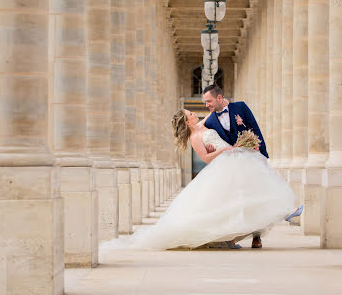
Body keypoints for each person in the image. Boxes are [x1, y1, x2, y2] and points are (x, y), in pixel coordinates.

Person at [99, 104, 301, 255]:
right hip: (225, 162)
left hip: (233, 160)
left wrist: (221, 103)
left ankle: (281, 214)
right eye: (190, 114)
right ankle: (283, 213)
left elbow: (216, 112)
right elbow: (205, 158)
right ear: (188, 122)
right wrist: (223, 149)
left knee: (245, 193)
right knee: (240, 197)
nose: (195, 114)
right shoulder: (195, 138)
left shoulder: (203, 123)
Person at [202, 84, 268, 248]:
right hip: (232, 166)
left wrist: (261, 156)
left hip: (251, 159)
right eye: (205, 102)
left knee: (256, 197)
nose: (206, 105)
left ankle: (257, 236)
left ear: (219, 97)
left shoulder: (241, 107)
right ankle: (233, 233)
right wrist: (210, 147)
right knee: (237, 199)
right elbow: (212, 143)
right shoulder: (210, 121)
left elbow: (255, 130)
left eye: (209, 101)